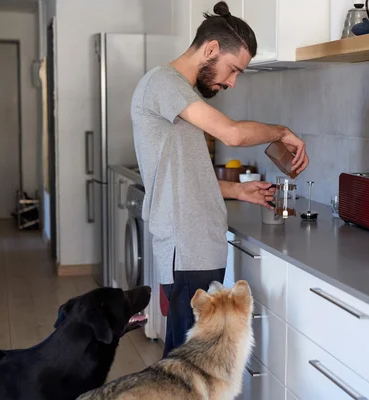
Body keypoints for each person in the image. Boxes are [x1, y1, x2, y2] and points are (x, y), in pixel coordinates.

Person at [130, 1, 309, 358]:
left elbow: (184, 176)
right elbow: (231, 134)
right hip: (188, 247)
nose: (231, 81)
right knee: (186, 368)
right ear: (211, 49)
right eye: (234, 69)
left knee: (193, 365)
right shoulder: (165, 83)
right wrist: (282, 132)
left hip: (196, 246)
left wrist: (236, 190)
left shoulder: (180, 94)